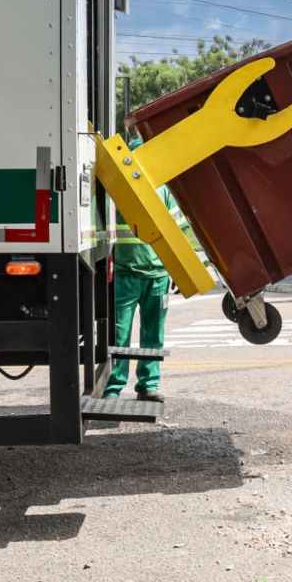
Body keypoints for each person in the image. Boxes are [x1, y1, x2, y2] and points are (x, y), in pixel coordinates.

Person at [105, 123, 186, 400]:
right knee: (137, 334)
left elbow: (175, 229)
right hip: (139, 273)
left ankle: (136, 386)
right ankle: (131, 386)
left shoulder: (157, 188)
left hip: (145, 274)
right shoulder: (125, 188)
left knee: (129, 333)